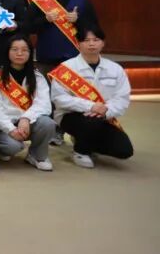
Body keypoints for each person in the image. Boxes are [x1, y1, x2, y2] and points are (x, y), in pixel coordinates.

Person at [51, 26, 133, 169]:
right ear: (78, 44)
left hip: (103, 116)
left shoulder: (115, 69)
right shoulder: (66, 68)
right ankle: (81, 151)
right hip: (70, 115)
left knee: (124, 150)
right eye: (86, 40)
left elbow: (122, 98)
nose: (91, 44)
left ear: (103, 43)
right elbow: (59, 98)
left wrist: (106, 110)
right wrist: (91, 106)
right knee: (91, 122)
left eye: (96, 40)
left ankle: (84, 140)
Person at [0, 35, 56, 171]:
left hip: (28, 123)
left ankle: (36, 155)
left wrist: (26, 118)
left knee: (48, 123)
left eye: (24, 50)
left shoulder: (37, 77)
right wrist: (11, 129)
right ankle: (3, 149)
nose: (19, 53)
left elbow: (44, 104)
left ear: (30, 53)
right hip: (6, 125)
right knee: (12, 147)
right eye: (15, 49)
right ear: (7, 52)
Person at [29, 0, 99, 72]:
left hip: (76, 59)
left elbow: (94, 29)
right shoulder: (39, 2)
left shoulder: (82, 1)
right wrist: (45, 20)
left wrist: (77, 20)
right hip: (46, 60)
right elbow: (28, 28)